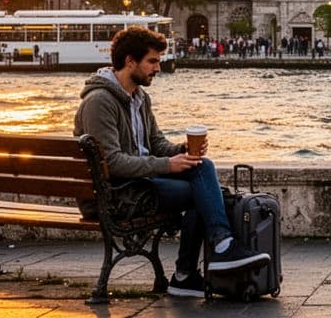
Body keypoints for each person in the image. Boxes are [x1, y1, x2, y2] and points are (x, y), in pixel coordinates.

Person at [74, 27, 269, 298]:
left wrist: (183, 151)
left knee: (202, 166)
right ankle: (194, 266)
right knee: (208, 194)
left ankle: (200, 263)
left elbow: (155, 144)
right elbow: (113, 163)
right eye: (152, 61)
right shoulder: (99, 102)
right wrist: (167, 165)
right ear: (130, 61)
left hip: (140, 183)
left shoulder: (139, 99)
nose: (158, 67)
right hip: (117, 195)